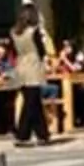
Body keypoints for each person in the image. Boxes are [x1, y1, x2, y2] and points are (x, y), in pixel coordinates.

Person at [9, 11, 53, 145]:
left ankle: (42, 133)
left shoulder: (14, 32)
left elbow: (14, 50)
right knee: (30, 103)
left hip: (21, 66)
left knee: (34, 102)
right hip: (33, 67)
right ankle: (23, 134)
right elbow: (41, 50)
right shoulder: (33, 32)